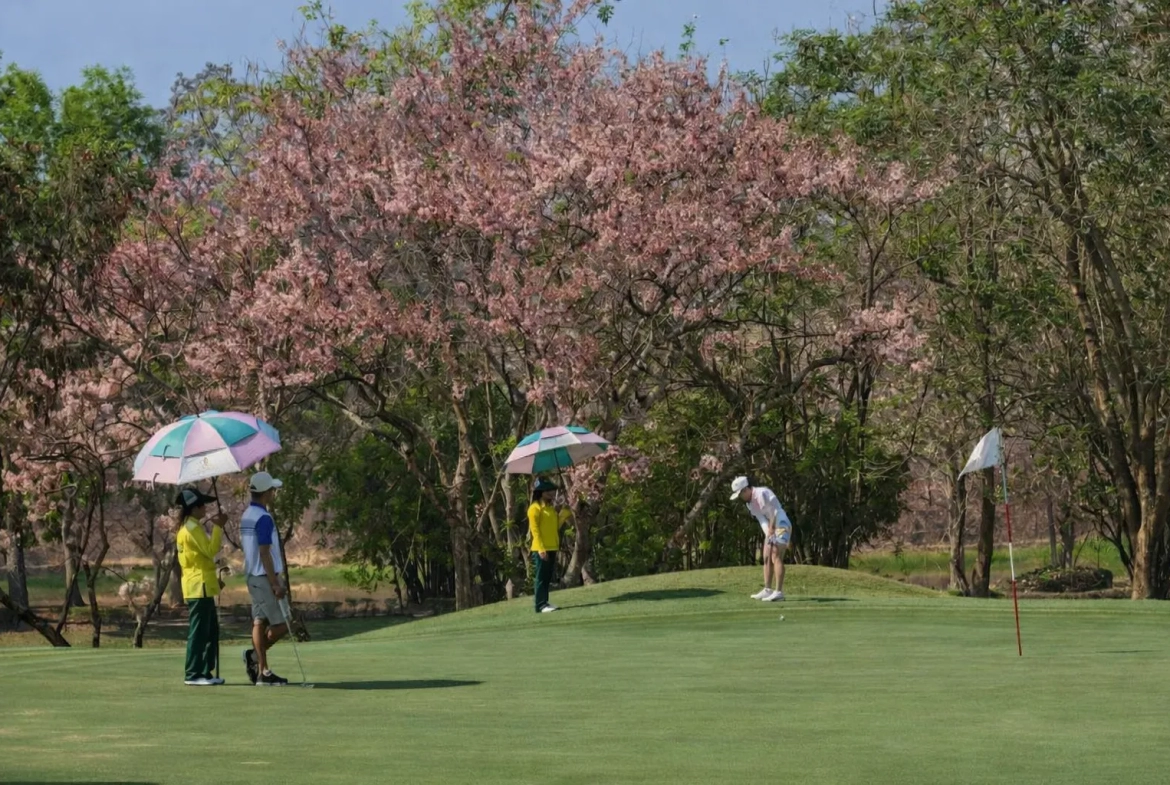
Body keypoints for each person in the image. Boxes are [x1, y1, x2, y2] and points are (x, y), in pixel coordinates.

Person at [240, 471, 290, 686]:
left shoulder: (247, 515)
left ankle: (263, 672)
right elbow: (264, 552)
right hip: (263, 577)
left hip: (252, 575)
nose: (274, 493)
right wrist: (275, 583)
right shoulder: (264, 518)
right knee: (284, 623)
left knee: (259, 622)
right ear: (266, 492)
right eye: (272, 490)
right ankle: (254, 658)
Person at [175, 486, 227, 686]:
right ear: (194, 508)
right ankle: (193, 673)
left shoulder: (189, 526)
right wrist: (218, 527)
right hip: (198, 585)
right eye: (202, 504)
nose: (205, 507)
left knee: (210, 630)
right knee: (199, 631)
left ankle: (205, 671)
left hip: (201, 584)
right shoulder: (191, 529)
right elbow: (210, 550)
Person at [731, 476, 793, 602]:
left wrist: (772, 527)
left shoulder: (763, 493)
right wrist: (768, 533)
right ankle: (767, 590)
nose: (741, 498)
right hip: (771, 528)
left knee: (776, 555)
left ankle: (779, 592)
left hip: (782, 524)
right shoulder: (750, 504)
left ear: (746, 490)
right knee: (766, 556)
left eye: (741, 494)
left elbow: (775, 510)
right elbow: (761, 519)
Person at [528, 478, 571, 613]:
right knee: (541, 578)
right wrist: (541, 549)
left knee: (547, 577)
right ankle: (539, 605)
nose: (552, 493)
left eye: (552, 490)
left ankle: (545, 602)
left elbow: (554, 526)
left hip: (552, 546)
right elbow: (535, 531)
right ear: (541, 493)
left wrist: (565, 512)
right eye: (548, 491)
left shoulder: (550, 509)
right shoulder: (534, 509)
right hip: (541, 548)